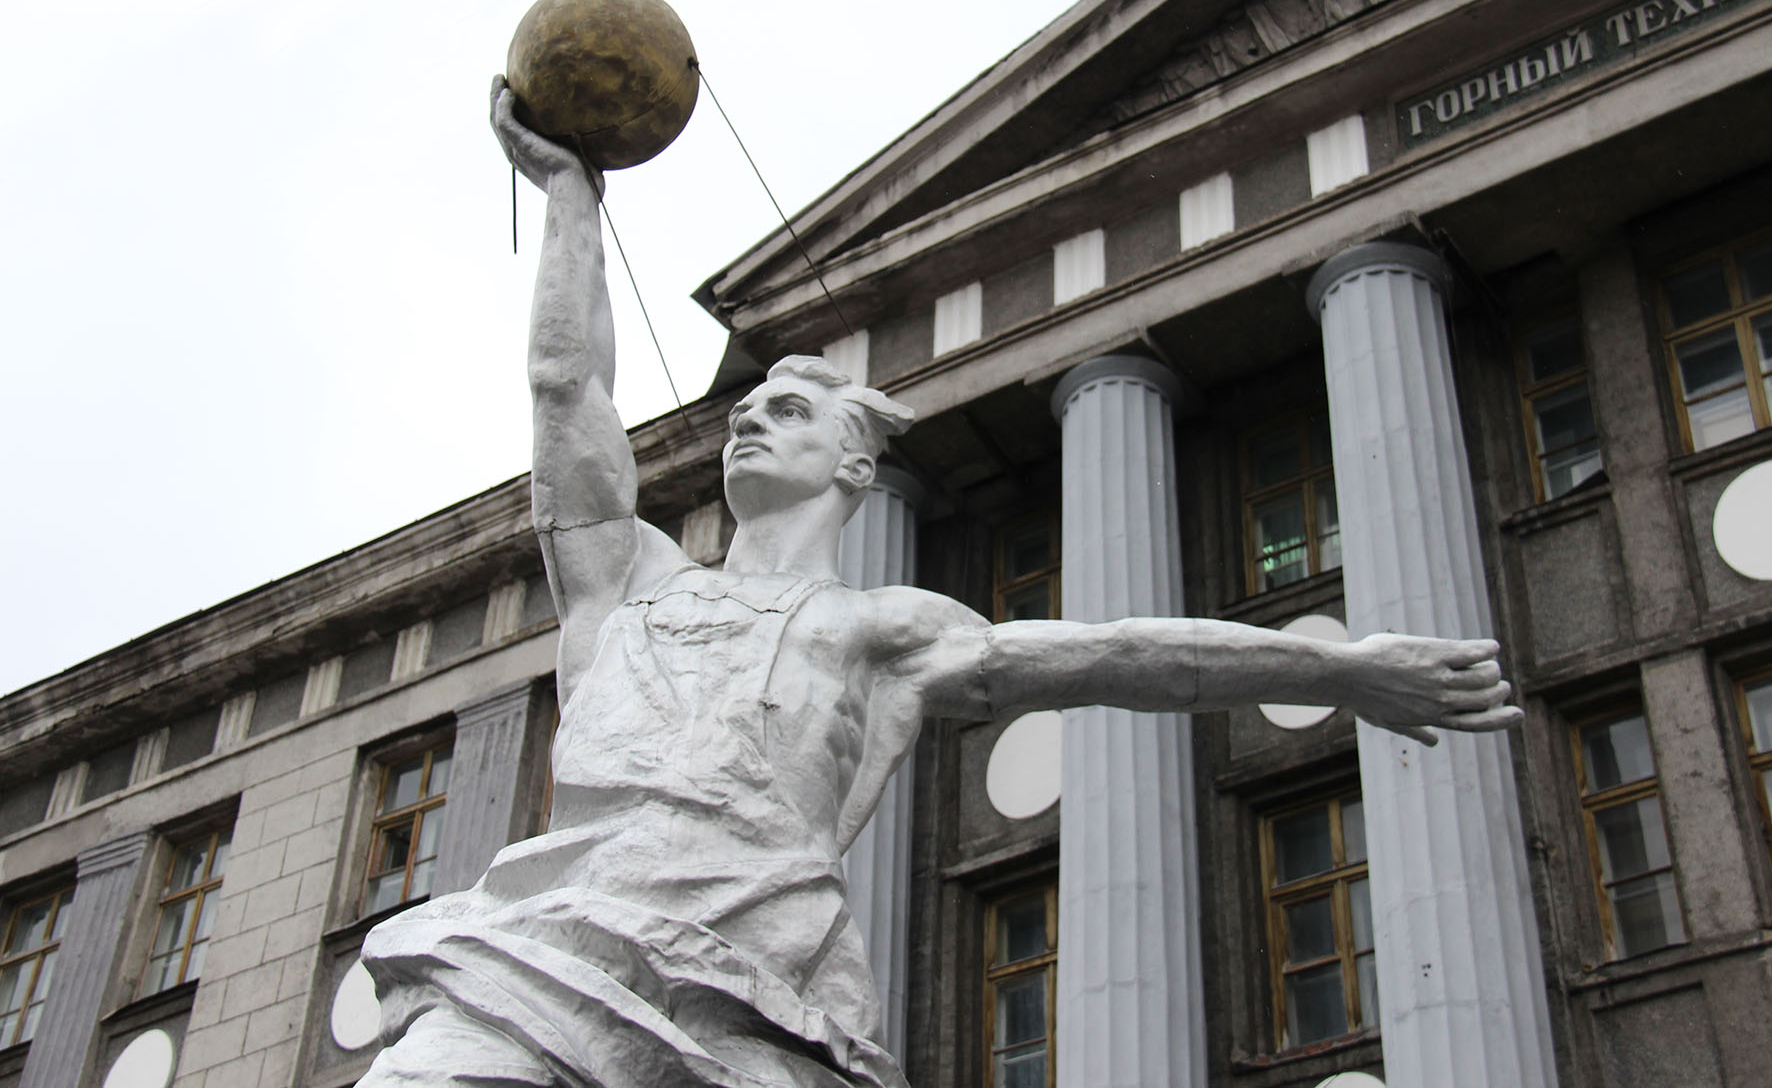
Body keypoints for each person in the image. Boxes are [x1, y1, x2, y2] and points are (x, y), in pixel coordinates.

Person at [356, 78, 1521, 1088]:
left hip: (750, 995)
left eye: (788, 411)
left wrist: (1338, 666)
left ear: (853, 464)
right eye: (745, 412)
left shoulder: (878, 630)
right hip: (544, 958)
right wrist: (571, 199)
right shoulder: (627, 582)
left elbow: (1118, 653)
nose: (750, 423)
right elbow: (566, 388)